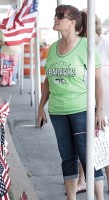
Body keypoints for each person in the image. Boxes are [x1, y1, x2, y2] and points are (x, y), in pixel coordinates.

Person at [37, 5, 106, 200]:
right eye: (55, 15)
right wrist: (41, 108)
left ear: (73, 22)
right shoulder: (52, 48)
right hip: (57, 111)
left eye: (60, 16)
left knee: (87, 156)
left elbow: (98, 82)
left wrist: (99, 111)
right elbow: (48, 81)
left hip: (81, 110)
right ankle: (71, 197)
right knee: (67, 157)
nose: (56, 19)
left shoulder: (86, 45)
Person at [76, 13, 109, 194]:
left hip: (104, 100)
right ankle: (82, 180)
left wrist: (101, 107)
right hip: (84, 99)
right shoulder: (79, 46)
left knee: (103, 140)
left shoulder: (105, 44)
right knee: (85, 140)